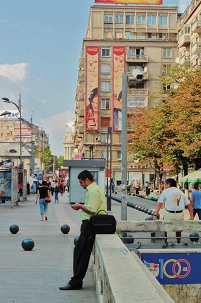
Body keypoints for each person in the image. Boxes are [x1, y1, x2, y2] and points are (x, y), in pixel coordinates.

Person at [59, 170, 107, 290]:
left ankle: (76, 282)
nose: (80, 185)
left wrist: (79, 206)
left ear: (87, 180)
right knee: (79, 251)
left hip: (90, 225)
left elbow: (92, 210)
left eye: (81, 182)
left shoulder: (93, 191)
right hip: (89, 225)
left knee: (82, 253)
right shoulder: (92, 190)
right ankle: (76, 280)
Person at [153, 178, 194, 243]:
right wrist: (191, 217)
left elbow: (160, 204)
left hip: (169, 214)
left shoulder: (165, 191)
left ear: (168, 184)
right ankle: (178, 241)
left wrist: (155, 215)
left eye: (165, 184)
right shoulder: (180, 192)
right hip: (180, 214)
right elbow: (189, 204)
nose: (164, 186)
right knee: (178, 229)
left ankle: (165, 241)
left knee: (164, 227)